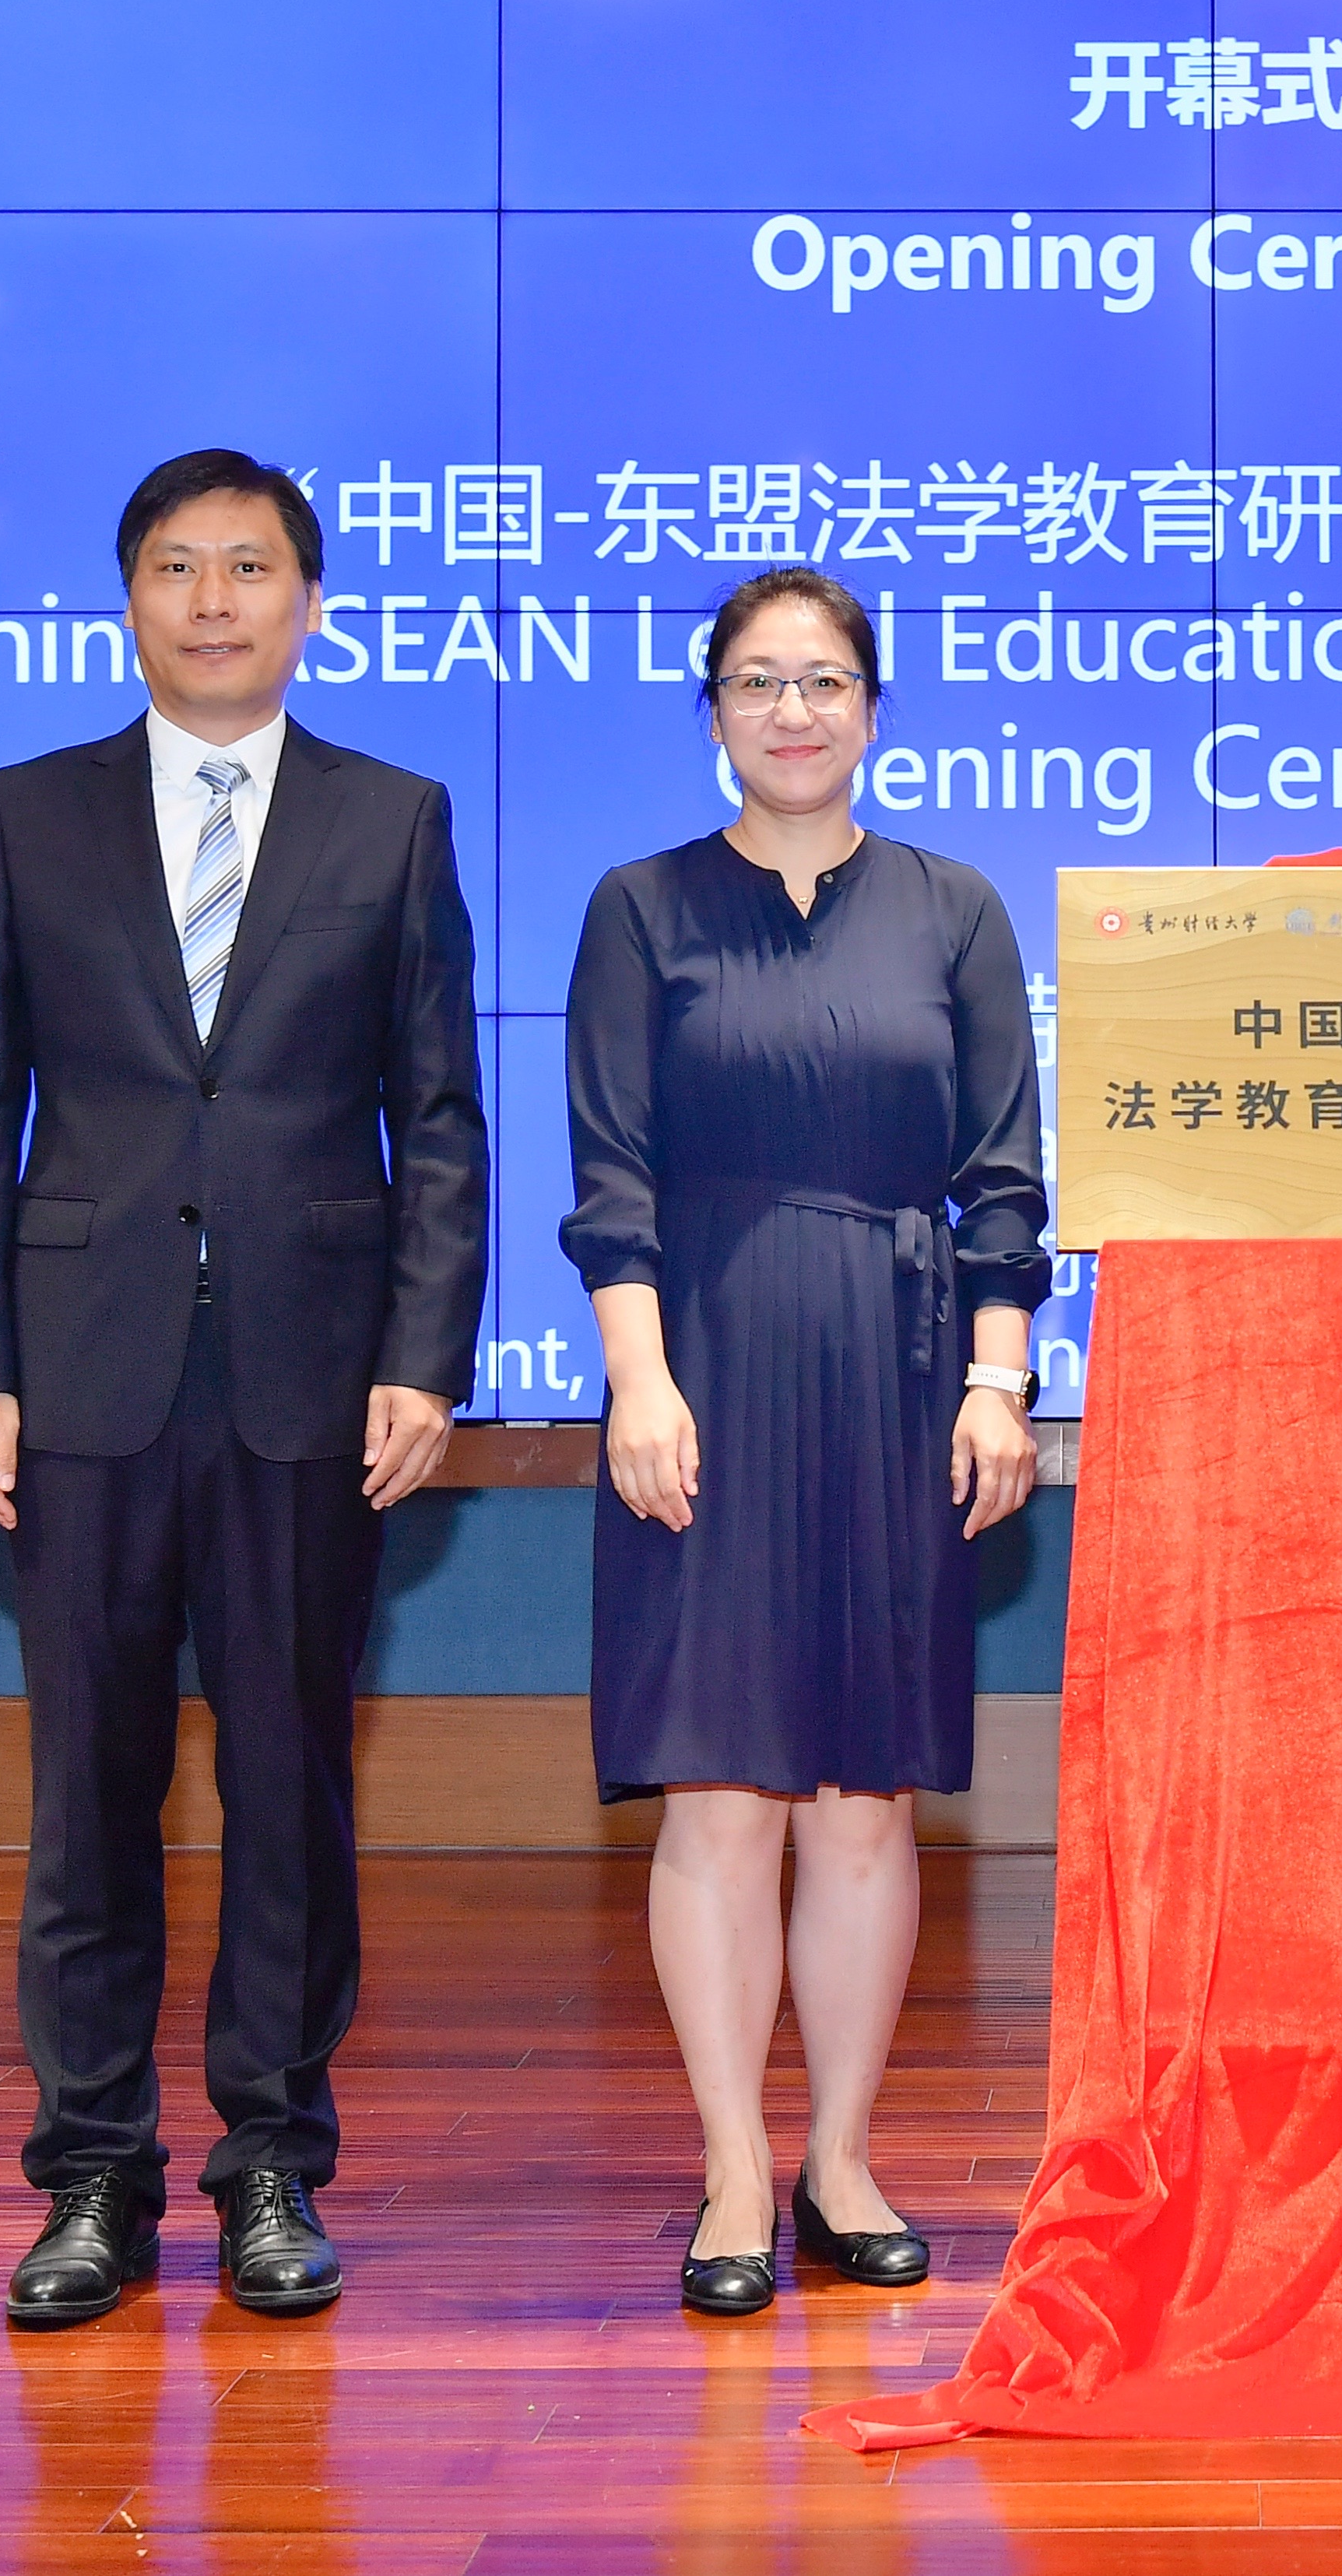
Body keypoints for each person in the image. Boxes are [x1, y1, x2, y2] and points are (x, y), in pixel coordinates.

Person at [0, 447, 487, 2327]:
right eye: (179, 566)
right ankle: (92, 2168)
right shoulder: (26, 813)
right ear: (130, 600)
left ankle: (271, 2162)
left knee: (288, 1787)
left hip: (309, 1381)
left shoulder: (391, 818)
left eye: (251, 566)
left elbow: (440, 1118)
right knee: (88, 1789)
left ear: (308, 603)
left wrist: (424, 1354)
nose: (216, 599)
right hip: (80, 1379)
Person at [563, 566, 1049, 2318]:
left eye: (825, 679)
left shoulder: (954, 909)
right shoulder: (640, 908)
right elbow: (610, 1171)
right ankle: (729, 2171)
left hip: (903, 1374)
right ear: (712, 709)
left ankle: (840, 2159)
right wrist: (637, 1379)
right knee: (719, 1792)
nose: (793, 709)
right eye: (758, 680)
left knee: (862, 1801)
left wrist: (998, 1380)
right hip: (702, 1362)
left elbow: (1003, 1179)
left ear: (871, 707)